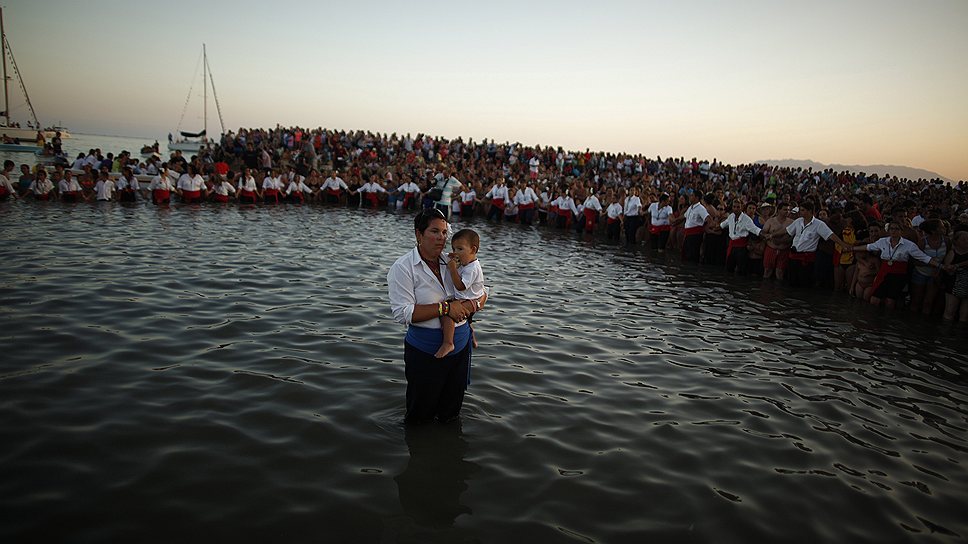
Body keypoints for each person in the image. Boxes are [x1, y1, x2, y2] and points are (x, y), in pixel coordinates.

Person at [387, 208, 487, 424]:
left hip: (460, 349)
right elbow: (403, 313)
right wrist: (445, 309)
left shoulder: (453, 260)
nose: (442, 238)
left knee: (451, 414)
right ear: (418, 234)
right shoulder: (403, 268)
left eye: (444, 232)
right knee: (420, 415)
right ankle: (420, 453)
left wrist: (473, 305)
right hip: (426, 353)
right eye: (434, 231)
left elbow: (482, 291)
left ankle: (448, 452)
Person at [847, 221, 943, 309]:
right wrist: (852, 248)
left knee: (890, 301)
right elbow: (868, 247)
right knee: (874, 299)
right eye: (892, 229)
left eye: (897, 229)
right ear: (888, 231)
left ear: (901, 231)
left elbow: (924, 257)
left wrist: (940, 266)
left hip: (898, 274)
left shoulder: (909, 245)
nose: (894, 231)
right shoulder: (883, 241)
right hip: (884, 272)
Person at [435, 229, 485, 359]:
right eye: (454, 249)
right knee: (468, 321)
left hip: (469, 300)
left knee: (447, 314)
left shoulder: (472, 268)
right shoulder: (466, 264)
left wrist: (452, 269)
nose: (456, 253)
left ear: (473, 250)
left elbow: (460, 286)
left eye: (460, 249)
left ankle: (448, 343)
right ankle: (472, 337)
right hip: (469, 298)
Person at [782, 202, 851, 288]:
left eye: (803, 210)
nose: (800, 212)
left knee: (804, 284)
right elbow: (787, 231)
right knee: (791, 282)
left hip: (806, 259)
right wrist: (772, 235)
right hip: (793, 257)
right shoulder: (798, 221)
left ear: (810, 211)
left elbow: (830, 235)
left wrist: (843, 244)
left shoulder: (819, 224)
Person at [720, 199, 761, 275]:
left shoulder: (747, 219)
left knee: (741, 270)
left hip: (741, 247)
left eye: (738, 207)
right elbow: (723, 224)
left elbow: (755, 229)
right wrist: (716, 226)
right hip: (732, 246)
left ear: (742, 207)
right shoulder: (731, 216)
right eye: (734, 207)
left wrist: (765, 234)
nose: (736, 209)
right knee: (729, 268)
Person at [941, 230, 968, 321]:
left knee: (964, 315)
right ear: (956, 241)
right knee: (949, 312)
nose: (966, 241)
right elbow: (947, 269)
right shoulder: (952, 253)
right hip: (953, 285)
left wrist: (957, 266)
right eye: (963, 239)